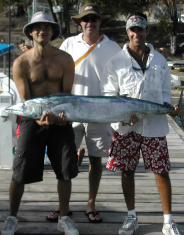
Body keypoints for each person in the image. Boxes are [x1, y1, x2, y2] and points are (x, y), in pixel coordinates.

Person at [20, 3, 122, 223]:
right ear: (80, 23)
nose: (90, 23)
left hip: (100, 113)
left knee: (96, 160)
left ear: (100, 22)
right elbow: (50, 60)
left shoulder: (114, 47)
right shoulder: (69, 43)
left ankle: (91, 203)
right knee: (63, 160)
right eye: (86, 19)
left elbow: (121, 78)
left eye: (94, 19)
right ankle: (63, 206)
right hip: (69, 113)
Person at [101, 12, 181, 235]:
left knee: (162, 170)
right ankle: (131, 216)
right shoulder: (115, 61)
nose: (137, 33)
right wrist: (124, 115)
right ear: (127, 32)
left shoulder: (160, 60)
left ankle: (168, 221)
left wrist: (169, 107)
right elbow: (109, 95)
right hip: (126, 127)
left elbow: (166, 91)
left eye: (141, 29)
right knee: (127, 170)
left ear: (147, 31)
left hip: (155, 127)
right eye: (133, 30)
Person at [1, 12, 79, 235]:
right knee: (20, 171)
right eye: (37, 28)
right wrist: (39, 118)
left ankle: (64, 217)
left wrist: (58, 117)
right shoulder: (21, 63)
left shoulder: (65, 59)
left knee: (65, 170)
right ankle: (12, 217)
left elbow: (66, 94)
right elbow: (27, 101)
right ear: (30, 33)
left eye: (46, 27)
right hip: (31, 120)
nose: (41, 31)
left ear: (53, 31)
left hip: (61, 120)